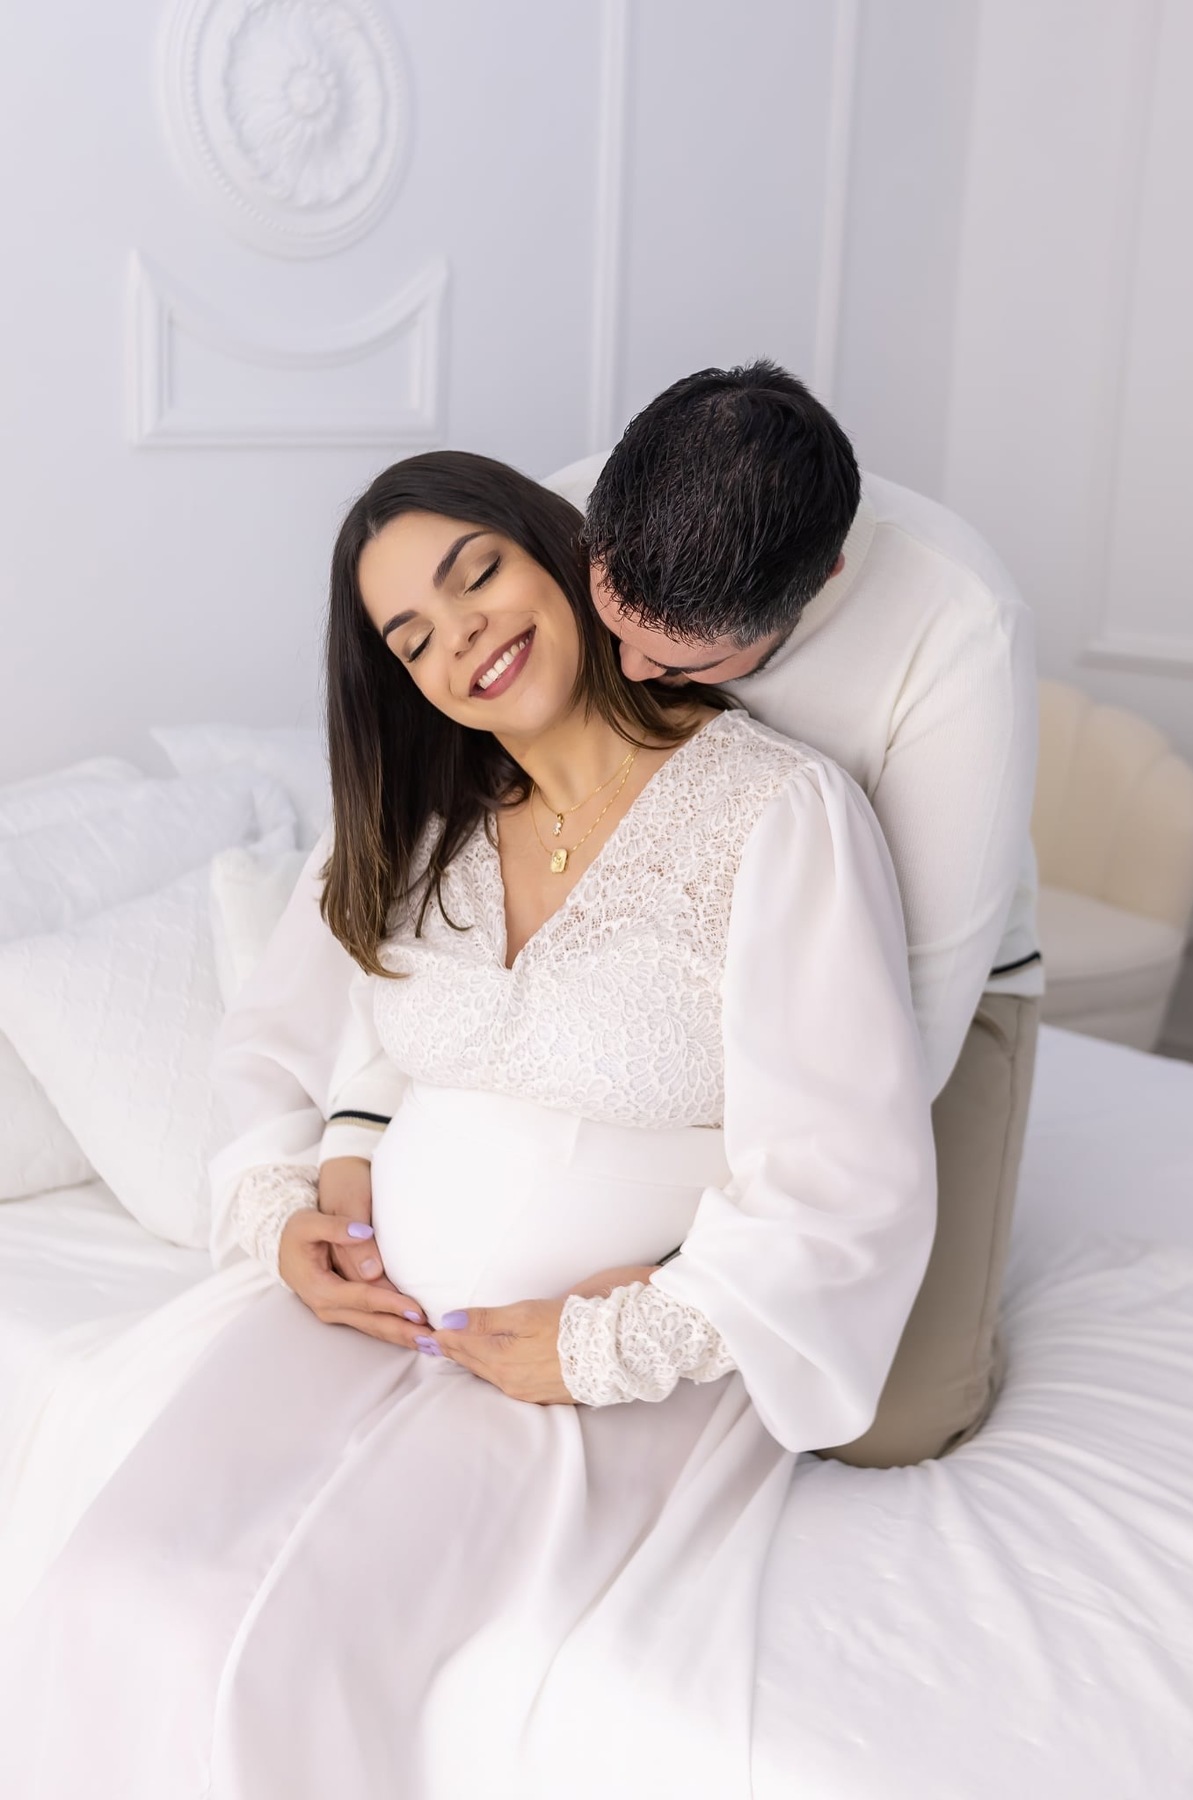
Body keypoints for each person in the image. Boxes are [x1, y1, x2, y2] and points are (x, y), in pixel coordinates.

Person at [0, 452, 935, 1799]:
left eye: (476, 573)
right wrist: (289, 1215)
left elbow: (846, 1173)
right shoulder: (421, 826)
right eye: (411, 637)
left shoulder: (773, 812)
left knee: (272, 1657)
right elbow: (285, 1048)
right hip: (369, 1320)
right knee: (111, 1579)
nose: (462, 638)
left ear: (559, 551)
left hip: (611, 1374)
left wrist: (610, 1342)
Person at [557, 360, 1042, 1465]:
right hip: (655, 949)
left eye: (679, 662)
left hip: (906, 996)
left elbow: (911, 1023)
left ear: (820, 583)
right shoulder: (569, 508)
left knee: (886, 1426)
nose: (626, 670)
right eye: (614, 626)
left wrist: (696, 1269)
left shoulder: (962, 631)